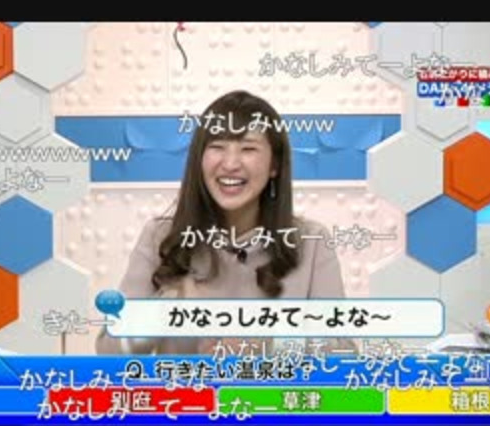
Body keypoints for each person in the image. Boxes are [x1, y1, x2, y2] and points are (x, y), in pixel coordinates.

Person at [95, 90, 353, 355]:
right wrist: (169, 306)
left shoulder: (312, 241)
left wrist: (263, 345)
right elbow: (108, 350)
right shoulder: (160, 236)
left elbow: (342, 351)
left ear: (274, 165)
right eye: (217, 147)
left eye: (248, 149)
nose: (230, 164)